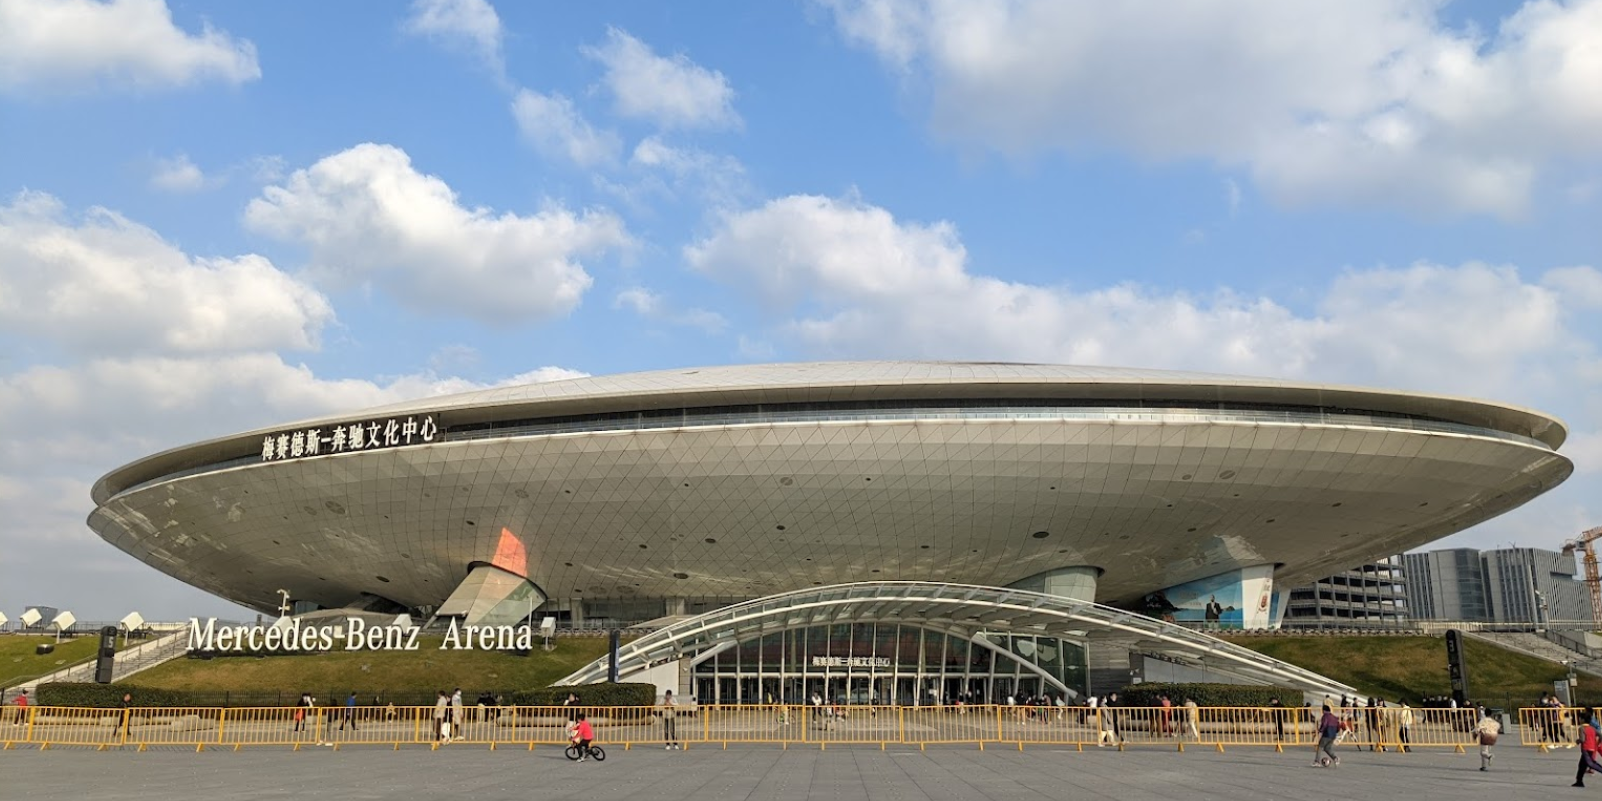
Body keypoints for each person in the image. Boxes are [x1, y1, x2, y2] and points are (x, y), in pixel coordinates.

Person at [1575, 711, 1602, 787]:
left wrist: (1578, 741)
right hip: (1592, 748)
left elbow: (1582, 739)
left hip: (1586, 748)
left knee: (1591, 763)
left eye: (1580, 718)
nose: (1579, 719)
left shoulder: (1581, 728)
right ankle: (1579, 781)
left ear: (1582, 719)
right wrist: (1598, 742)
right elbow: (1600, 735)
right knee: (1582, 765)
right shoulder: (1592, 728)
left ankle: (1579, 781)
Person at [1473, 707, 1501, 771]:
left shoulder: (1483, 721)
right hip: (1493, 737)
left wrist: (1475, 736)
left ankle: (1489, 756)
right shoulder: (1494, 721)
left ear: (1485, 713)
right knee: (1486, 751)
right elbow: (1498, 726)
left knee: (1483, 752)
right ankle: (1483, 766)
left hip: (1485, 737)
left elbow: (1477, 729)